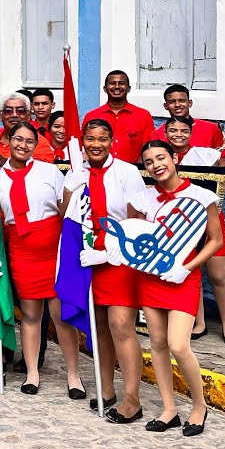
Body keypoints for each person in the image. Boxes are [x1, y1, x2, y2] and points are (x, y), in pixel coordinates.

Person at [129, 140, 223, 436]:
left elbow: (215, 241)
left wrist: (187, 267)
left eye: (161, 158)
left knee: (179, 345)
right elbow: (134, 240)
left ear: (175, 158)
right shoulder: (142, 198)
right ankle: (169, 409)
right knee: (156, 342)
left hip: (184, 278)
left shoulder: (202, 196)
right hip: (151, 278)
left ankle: (199, 406)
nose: (156, 165)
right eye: (148, 162)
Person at [63, 119, 147, 420]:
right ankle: (107, 388)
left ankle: (132, 397)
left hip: (119, 257)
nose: (95, 144)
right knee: (98, 328)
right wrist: (72, 188)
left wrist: (113, 250)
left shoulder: (127, 172)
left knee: (121, 325)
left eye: (102, 138)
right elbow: (66, 216)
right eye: (89, 138)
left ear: (112, 141)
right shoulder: (77, 172)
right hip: (88, 257)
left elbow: (138, 218)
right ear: (82, 141)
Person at [0, 123, 82, 397]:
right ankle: (32, 372)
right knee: (31, 315)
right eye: (18, 139)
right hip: (21, 251)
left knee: (60, 315)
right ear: (8, 141)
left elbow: (64, 210)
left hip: (53, 250)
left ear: (35, 144)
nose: (23, 145)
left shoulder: (49, 171)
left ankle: (74, 376)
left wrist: (74, 192)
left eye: (29, 141)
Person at [163, 117, 225, 344]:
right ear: (165, 133)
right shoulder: (162, 157)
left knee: (218, 274)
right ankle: (200, 322)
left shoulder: (206, 155)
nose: (178, 134)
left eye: (183, 130)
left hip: (211, 218)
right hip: (181, 222)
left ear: (190, 132)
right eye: (173, 130)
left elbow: (221, 184)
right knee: (190, 273)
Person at [83, 71, 153, 164]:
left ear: (128, 88)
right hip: (99, 172)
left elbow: (148, 148)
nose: (116, 86)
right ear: (105, 89)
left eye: (121, 83)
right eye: (112, 83)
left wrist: (136, 171)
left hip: (133, 172)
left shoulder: (143, 115)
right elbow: (85, 147)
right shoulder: (91, 116)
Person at [154, 84, 225, 152]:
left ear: (190, 103)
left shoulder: (212, 129)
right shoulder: (157, 134)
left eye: (182, 100)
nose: (177, 105)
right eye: (172, 102)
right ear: (165, 106)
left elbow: (221, 163)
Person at [0, 92, 55, 166]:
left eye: (20, 111)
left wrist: (7, 163)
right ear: (0, 116)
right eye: (8, 111)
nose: (14, 115)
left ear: (28, 115)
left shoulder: (39, 142)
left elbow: (42, 170)